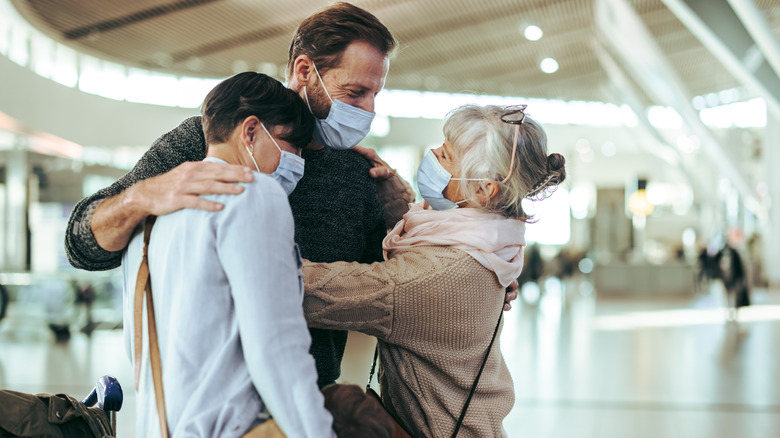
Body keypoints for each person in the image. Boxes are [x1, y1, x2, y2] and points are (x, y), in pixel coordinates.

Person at [65, 2, 404, 389]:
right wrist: (139, 197)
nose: (368, 110)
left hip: (308, 397)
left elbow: (392, 290)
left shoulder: (357, 175)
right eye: (356, 92)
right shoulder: (205, 141)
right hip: (204, 398)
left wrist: (400, 204)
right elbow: (81, 246)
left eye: (375, 94)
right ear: (305, 71)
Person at [301, 104, 566, 437]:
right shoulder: (493, 241)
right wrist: (391, 193)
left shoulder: (439, 275)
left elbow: (310, 292)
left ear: (484, 189)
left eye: (446, 155)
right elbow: (431, 248)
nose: (432, 155)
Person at [122, 72, 335, 437]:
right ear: (250, 131)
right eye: (291, 144)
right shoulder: (252, 194)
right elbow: (277, 347)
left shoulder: (152, 216)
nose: (298, 161)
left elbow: (136, 349)